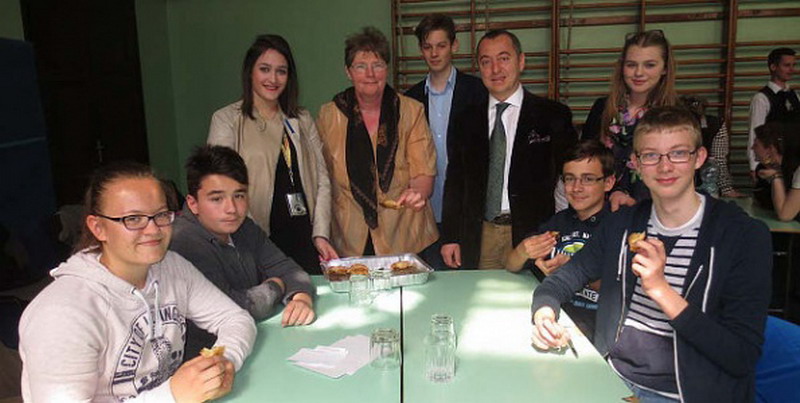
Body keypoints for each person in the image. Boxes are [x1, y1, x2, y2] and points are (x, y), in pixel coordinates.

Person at [531, 106, 772, 402]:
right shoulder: (622, 224)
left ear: (699, 158)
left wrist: (661, 290)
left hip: (683, 394)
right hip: (612, 381)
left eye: (678, 153)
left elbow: (740, 356)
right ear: (636, 163)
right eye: (651, 155)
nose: (664, 166)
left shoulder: (743, 236)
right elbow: (561, 281)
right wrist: (544, 315)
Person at [18, 162, 256, 402]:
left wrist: (224, 363)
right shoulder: (62, 314)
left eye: (161, 215)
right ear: (98, 228)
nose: (153, 230)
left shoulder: (172, 267)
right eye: (133, 219)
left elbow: (235, 319)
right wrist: (173, 394)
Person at [440, 29, 577, 270]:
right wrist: (451, 236)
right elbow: (455, 181)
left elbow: (571, 178)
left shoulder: (553, 115)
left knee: (533, 294)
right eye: (486, 62)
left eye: (504, 58)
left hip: (535, 235)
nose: (495, 69)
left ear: (521, 61)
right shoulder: (466, 119)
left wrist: (568, 233)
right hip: (481, 234)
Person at [170, 145, 316, 360]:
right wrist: (276, 286)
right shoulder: (184, 241)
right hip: (210, 358)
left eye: (239, 195)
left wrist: (301, 298)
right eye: (216, 199)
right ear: (193, 203)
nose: (231, 208)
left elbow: (289, 269)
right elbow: (233, 306)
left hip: (255, 342)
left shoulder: (243, 227)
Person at [208, 34, 335, 274]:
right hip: (255, 240)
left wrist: (320, 234)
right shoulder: (227, 120)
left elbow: (322, 180)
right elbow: (221, 186)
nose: (273, 79)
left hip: (303, 237)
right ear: (250, 72)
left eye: (281, 71)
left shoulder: (302, 119)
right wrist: (252, 239)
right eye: (265, 69)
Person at [317, 27, 438, 257]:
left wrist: (417, 193)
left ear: (387, 69)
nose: (370, 74)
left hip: (403, 232)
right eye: (360, 66)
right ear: (348, 72)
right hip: (347, 237)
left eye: (378, 65)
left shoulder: (411, 111)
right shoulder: (328, 115)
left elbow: (423, 172)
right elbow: (321, 179)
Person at [506, 140, 615, 341]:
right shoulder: (558, 222)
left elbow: (623, 288)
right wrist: (523, 251)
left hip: (600, 330)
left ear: (608, 182)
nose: (576, 188)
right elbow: (510, 264)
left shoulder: (617, 225)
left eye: (588, 179)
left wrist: (574, 271)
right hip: (557, 317)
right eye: (569, 179)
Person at [405, 14, 487, 269]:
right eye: (427, 47)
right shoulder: (409, 100)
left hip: (466, 211)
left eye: (441, 45)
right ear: (421, 50)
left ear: (454, 45)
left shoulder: (478, 91)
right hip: (425, 213)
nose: (434, 53)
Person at [583, 30, 678, 210]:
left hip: (653, 209)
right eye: (631, 65)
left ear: (665, 68)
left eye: (649, 65)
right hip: (601, 209)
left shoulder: (676, 114)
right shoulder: (602, 108)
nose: (638, 73)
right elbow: (585, 161)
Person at [747, 48, 799, 178]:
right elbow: (755, 133)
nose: (791, 69)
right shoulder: (761, 98)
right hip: (771, 163)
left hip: (794, 160)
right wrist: (754, 167)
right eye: (786, 65)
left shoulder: (795, 96)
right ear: (773, 67)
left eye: (793, 65)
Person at [681, 95, 742, 198]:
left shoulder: (715, 125)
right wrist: (726, 189)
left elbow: (718, 160)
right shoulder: (716, 124)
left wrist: (726, 188)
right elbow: (719, 159)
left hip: (704, 181)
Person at [752, 121, 800, 221]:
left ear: (770, 149)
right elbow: (763, 201)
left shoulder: (795, 168)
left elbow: (785, 215)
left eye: (756, 145)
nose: (752, 148)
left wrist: (776, 177)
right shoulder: (762, 169)